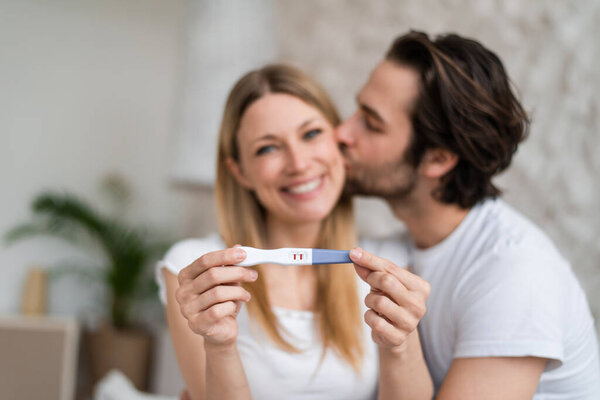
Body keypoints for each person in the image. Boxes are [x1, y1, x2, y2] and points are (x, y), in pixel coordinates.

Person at [336, 30, 600, 399]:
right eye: (357, 110)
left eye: (371, 122)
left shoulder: (515, 272)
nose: (342, 132)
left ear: (439, 159)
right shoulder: (402, 247)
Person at [156, 64, 432, 400]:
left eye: (311, 134)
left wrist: (402, 343)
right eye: (268, 148)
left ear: (339, 141)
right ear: (240, 171)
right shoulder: (197, 272)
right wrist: (220, 347)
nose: (299, 163)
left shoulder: (388, 270)